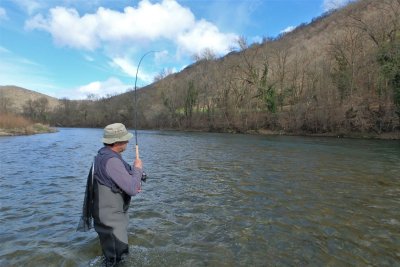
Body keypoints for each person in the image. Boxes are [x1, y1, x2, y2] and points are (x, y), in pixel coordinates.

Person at [78, 122, 144, 266]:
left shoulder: (103, 155)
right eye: (125, 138)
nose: (127, 141)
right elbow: (132, 189)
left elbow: (121, 181)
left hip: (106, 218)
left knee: (112, 257)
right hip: (110, 221)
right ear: (118, 141)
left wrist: (135, 176)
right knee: (118, 258)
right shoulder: (112, 161)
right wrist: (138, 169)